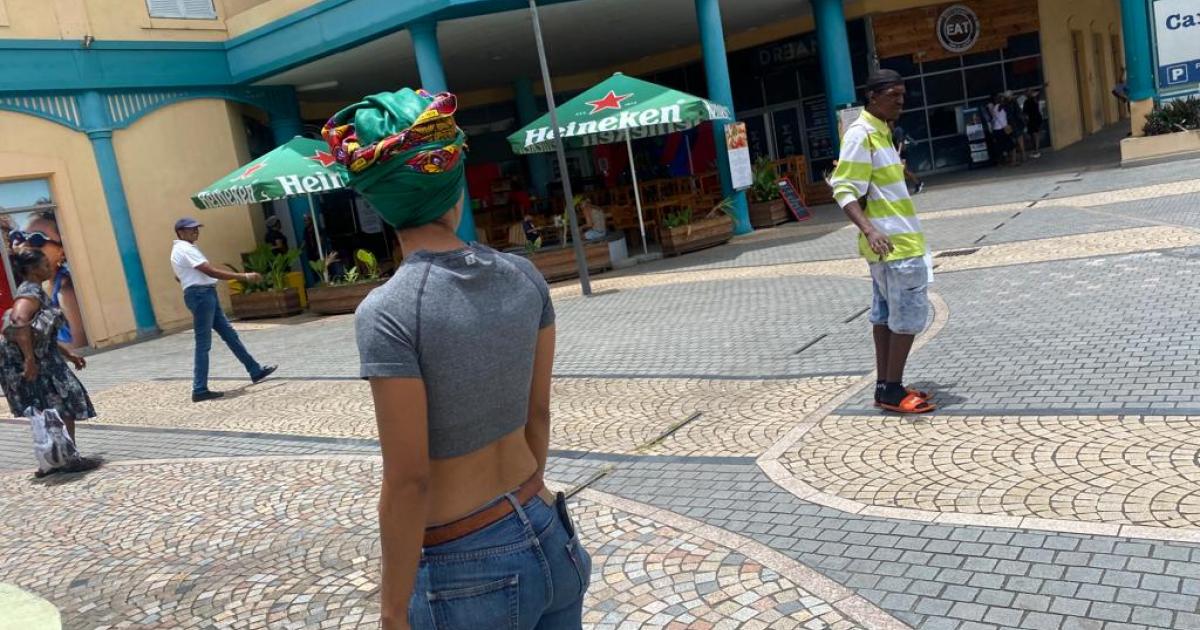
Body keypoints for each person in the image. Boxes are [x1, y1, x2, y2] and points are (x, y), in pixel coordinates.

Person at [324, 88, 590, 630]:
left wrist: (393, 609)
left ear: (379, 203)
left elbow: (409, 480)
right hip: (547, 527)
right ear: (454, 190)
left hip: (465, 564)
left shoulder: (389, 312)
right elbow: (537, 415)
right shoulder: (525, 277)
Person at [828, 69, 935, 415]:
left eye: (903, 95)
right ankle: (891, 390)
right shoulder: (862, 134)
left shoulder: (881, 132)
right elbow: (843, 189)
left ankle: (887, 386)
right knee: (906, 317)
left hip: (894, 247)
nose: (900, 101)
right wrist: (869, 230)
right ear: (873, 97)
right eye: (893, 94)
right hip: (893, 247)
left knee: (886, 315)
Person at [0, 249, 98, 458]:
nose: (50, 266)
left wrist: (68, 354)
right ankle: (67, 457)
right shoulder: (30, 293)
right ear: (33, 270)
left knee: (51, 407)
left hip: (44, 358)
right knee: (65, 400)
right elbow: (19, 320)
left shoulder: (34, 290)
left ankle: (57, 457)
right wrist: (29, 360)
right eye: (45, 264)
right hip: (39, 363)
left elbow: (39, 333)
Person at [170, 218, 277, 403]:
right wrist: (243, 276)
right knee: (203, 343)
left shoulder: (184, 249)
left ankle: (255, 370)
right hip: (202, 296)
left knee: (230, 335)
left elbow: (181, 276)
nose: (195, 232)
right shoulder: (184, 249)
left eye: (197, 229)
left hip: (204, 294)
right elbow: (209, 271)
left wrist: (188, 281)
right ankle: (199, 388)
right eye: (191, 229)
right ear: (180, 232)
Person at [13, 212, 88, 348]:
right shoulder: (40, 285)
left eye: (37, 239)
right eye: (19, 237)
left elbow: (81, 344)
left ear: (62, 251)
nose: (25, 245)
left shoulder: (65, 292)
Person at [890, 121, 925, 193]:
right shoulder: (891, 132)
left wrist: (898, 152)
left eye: (888, 122)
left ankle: (918, 183)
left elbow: (900, 141)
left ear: (892, 122)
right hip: (899, 154)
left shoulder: (897, 130)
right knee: (904, 171)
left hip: (902, 153)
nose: (887, 124)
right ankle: (918, 182)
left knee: (905, 170)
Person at [988, 93, 1015, 166]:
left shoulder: (995, 108)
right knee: (1011, 145)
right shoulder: (1003, 107)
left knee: (1000, 146)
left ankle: (1002, 162)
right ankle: (1013, 161)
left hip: (997, 129)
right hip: (1004, 128)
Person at [1003, 92, 1027, 164]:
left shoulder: (1005, 106)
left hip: (1010, 126)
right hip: (1017, 125)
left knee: (1014, 144)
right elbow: (1019, 114)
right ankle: (1023, 157)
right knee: (1020, 142)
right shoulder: (1014, 104)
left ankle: (1015, 159)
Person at [1024, 88, 1044, 158]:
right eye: (1027, 93)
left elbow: (1038, 94)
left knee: (1035, 135)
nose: (1028, 94)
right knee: (1033, 135)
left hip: (1035, 119)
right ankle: (1035, 150)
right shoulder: (1026, 102)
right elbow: (1025, 113)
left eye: (1029, 92)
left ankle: (1037, 150)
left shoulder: (1034, 99)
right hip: (1031, 120)